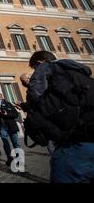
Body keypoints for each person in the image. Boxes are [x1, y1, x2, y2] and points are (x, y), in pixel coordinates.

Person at [27, 51, 94, 183]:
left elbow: (35, 97)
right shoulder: (81, 74)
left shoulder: (47, 69)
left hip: (76, 142)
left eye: (35, 68)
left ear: (39, 63)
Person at [0, 92, 20, 167]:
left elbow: (15, 114)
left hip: (11, 126)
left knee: (16, 143)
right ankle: (9, 158)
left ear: (2, 97)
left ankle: (19, 159)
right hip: (1, 126)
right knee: (6, 143)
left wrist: (7, 114)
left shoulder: (8, 104)